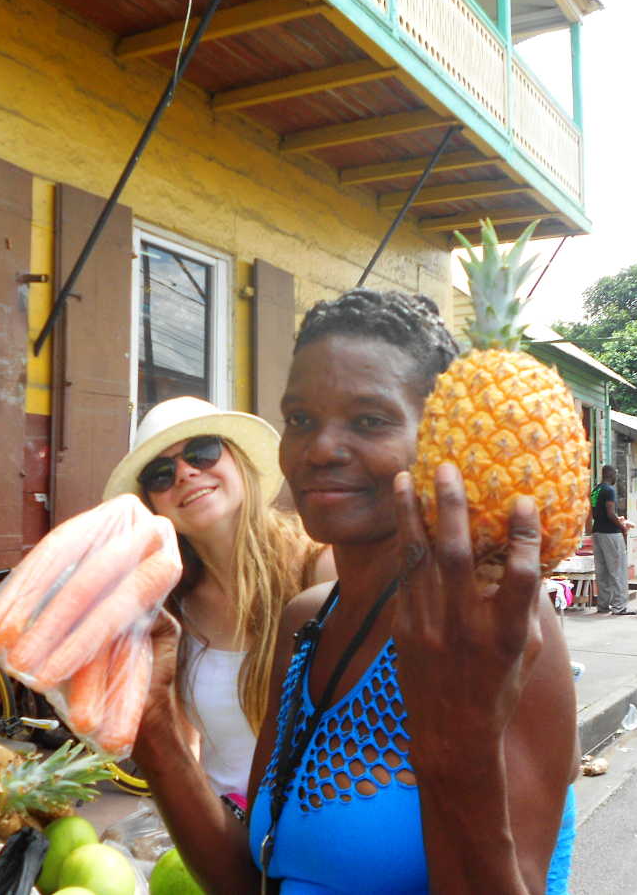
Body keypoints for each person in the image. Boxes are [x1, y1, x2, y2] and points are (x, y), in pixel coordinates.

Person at [133, 290, 580, 895]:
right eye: (301, 420)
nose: (320, 449)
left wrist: (456, 743)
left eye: (370, 420)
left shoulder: (493, 627)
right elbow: (252, 876)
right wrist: (154, 721)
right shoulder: (304, 623)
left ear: (444, 439)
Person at [103, 396, 335, 800]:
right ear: (151, 502)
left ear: (239, 462)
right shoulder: (169, 609)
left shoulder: (321, 569)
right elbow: (185, 750)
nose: (186, 473)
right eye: (161, 473)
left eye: (203, 451)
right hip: (225, 838)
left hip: (317, 832)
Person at [590, 464, 637, 616]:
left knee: (602, 570)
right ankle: (619, 606)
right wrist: (622, 527)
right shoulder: (609, 490)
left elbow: (595, 513)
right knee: (618, 570)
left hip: (597, 532)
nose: (617, 477)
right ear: (612, 475)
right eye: (616, 475)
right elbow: (611, 513)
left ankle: (603, 605)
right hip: (611, 533)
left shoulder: (595, 490)